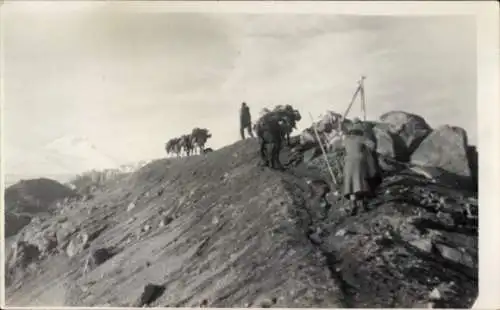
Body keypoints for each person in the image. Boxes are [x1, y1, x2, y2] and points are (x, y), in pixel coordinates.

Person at [342, 118, 381, 215]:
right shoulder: (361, 137)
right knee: (361, 182)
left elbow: (339, 147)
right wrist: (366, 150)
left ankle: (353, 206)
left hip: (348, 162)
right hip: (359, 161)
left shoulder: (346, 139)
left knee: (350, 184)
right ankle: (363, 205)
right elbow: (372, 145)